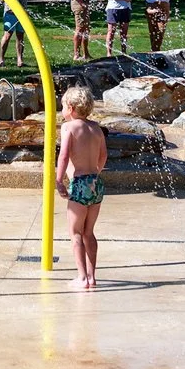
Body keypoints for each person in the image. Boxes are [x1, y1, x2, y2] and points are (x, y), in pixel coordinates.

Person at [54, 85, 108, 290]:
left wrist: (59, 180)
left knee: (75, 233)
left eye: (62, 107)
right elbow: (103, 155)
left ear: (70, 107)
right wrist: (96, 172)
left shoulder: (69, 128)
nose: (62, 111)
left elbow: (64, 156)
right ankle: (92, 276)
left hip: (80, 184)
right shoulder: (96, 128)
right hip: (96, 183)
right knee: (89, 232)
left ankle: (82, 278)